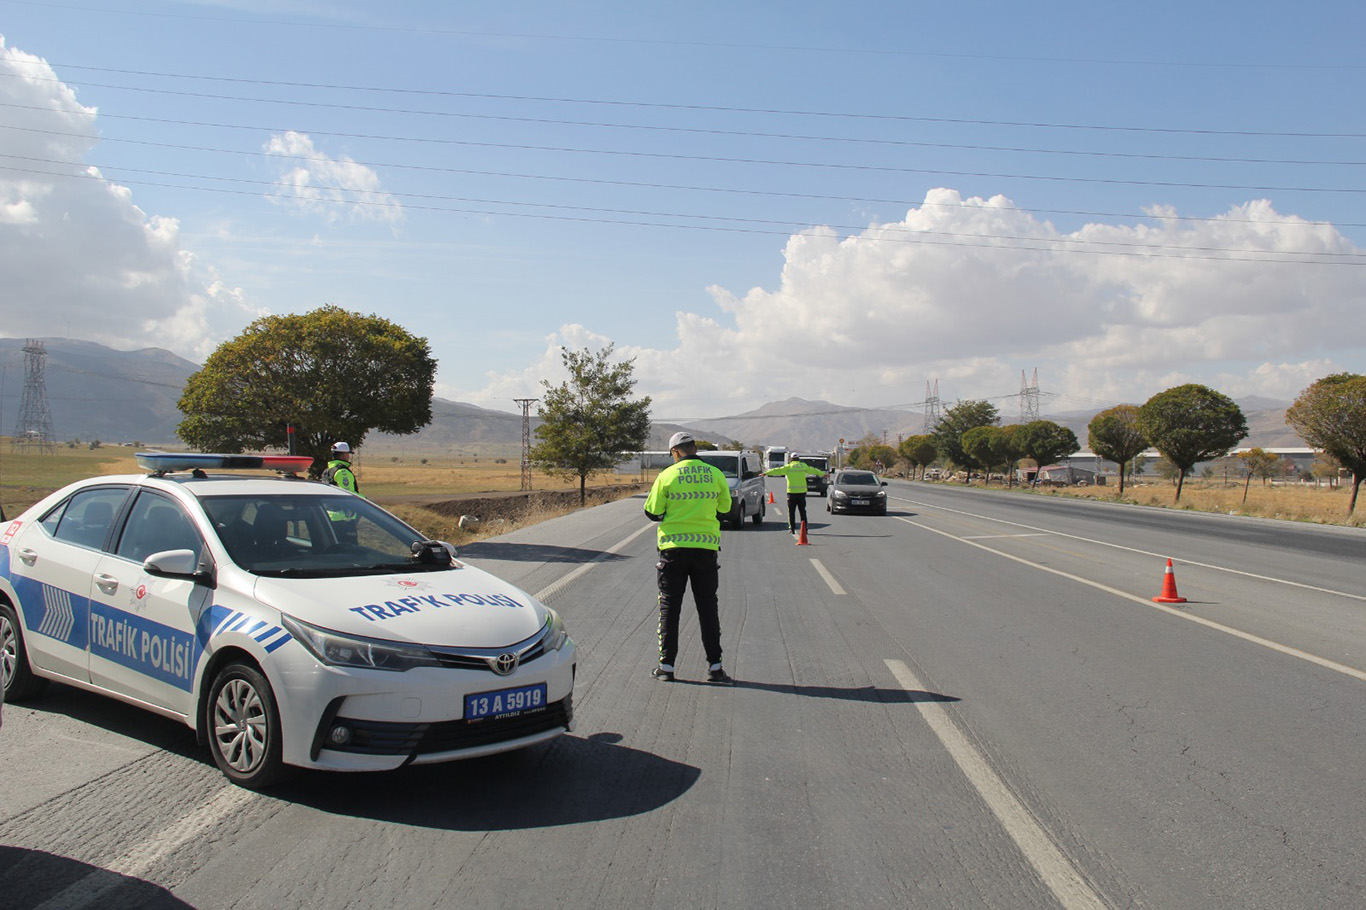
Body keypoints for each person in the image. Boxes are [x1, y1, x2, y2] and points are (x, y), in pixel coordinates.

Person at [643, 432, 735, 685]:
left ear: (675, 452)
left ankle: (666, 667)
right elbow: (725, 509)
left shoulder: (667, 476)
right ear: (694, 449)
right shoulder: (715, 474)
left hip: (673, 551)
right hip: (705, 551)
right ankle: (715, 669)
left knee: (669, 608)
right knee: (708, 608)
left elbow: (652, 512)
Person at [765, 455, 827, 534]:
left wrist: (766, 473)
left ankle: (792, 529)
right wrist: (823, 474)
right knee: (802, 511)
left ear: (791, 459)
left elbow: (777, 470)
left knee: (791, 512)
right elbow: (813, 470)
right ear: (798, 459)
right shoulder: (803, 466)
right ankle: (804, 529)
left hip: (791, 493)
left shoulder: (788, 467)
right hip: (802, 493)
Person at [323, 441, 364, 543]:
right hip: (344, 519)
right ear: (344, 454)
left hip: (328, 517)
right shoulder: (342, 472)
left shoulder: (327, 471)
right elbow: (349, 495)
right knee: (350, 551)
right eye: (348, 454)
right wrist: (365, 501)